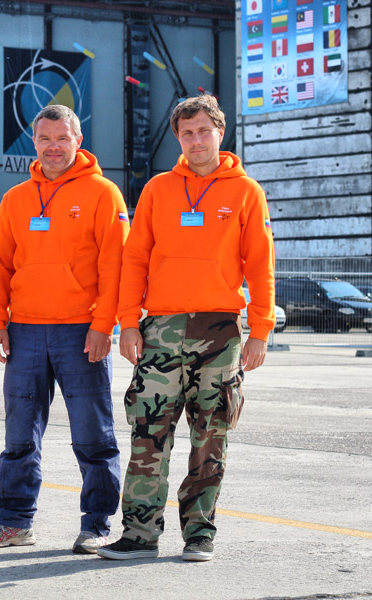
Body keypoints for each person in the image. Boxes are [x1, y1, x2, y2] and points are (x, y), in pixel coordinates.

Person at [98, 95, 275, 563]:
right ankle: (139, 535)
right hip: (160, 329)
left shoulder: (246, 191)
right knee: (148, 432)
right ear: (178, 138)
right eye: (187, 133)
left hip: (220, 332)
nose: (196, 140)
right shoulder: (158, 189)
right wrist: (128, 323)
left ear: (220, 132)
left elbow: (260, 265)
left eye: (203, 131)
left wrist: (260, 329)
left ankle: (199, 534)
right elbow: (135, 259)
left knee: (211, 434)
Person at [0, 105, 129, 554]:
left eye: (62, 138)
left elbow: (115, 267)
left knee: (94, 436)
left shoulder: (103, 194)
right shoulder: (16, 199)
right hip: (24, 331)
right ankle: (13, 522)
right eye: (45, 139)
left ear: (78, 140)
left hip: (80, 332)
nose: (53, 147)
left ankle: (97, 524)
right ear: (34, 143)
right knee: (19, 436)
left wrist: (104, 324)